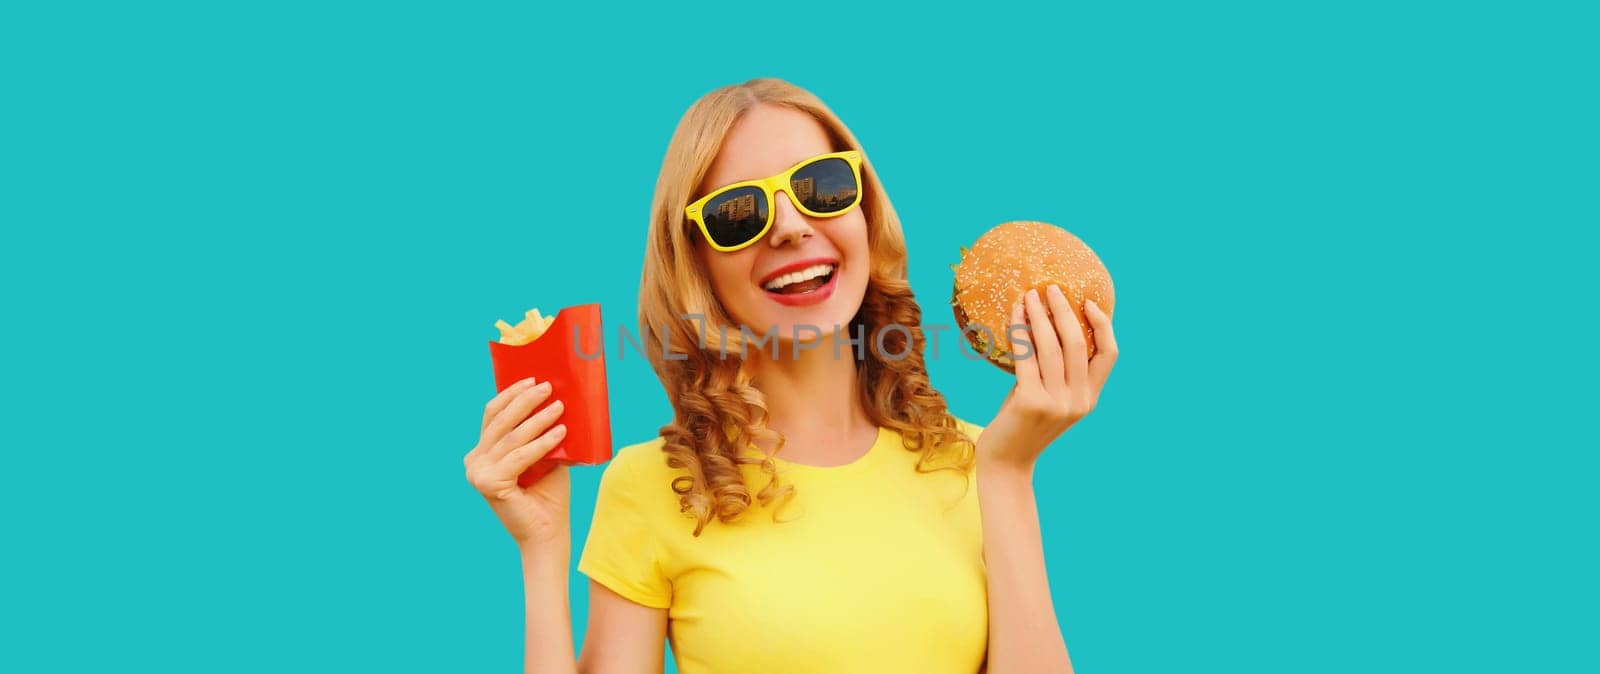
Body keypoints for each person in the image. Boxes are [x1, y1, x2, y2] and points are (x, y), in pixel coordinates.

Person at [463, 77, 1119, 674]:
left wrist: (1006, 475)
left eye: (823, 186)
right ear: (695, 261)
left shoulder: (978, 460)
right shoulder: (654, 488)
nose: (791, 227)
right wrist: (542, 549)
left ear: (864, 210)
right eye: (737, 214)